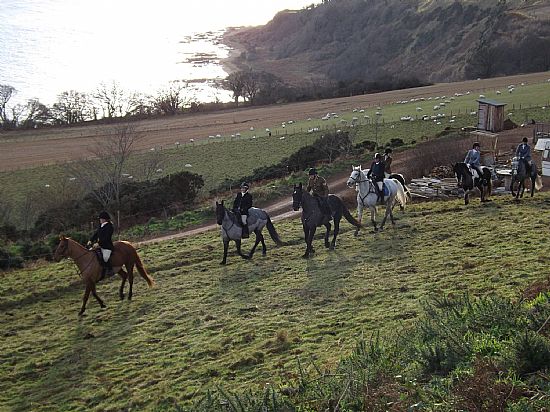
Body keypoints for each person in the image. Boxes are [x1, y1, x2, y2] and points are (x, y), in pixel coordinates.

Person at [88, 211, 115, 279]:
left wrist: (99, 243)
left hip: (107, 246)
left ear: (104, 219)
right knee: (90, 253)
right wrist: (91, 240)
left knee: (105, 258)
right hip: (99, 246)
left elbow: (106, 237)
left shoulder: (110, 227)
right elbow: (96, 234)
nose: (99, 220)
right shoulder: (101, 225)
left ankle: (110, 270)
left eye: (100, 219)